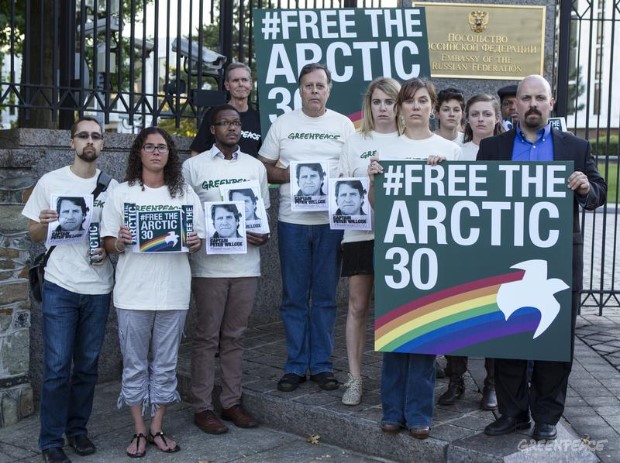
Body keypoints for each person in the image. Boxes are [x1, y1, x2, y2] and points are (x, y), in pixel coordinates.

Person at [478, 75, 606, 441]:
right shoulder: (493, 148)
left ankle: (547, 416)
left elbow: (598, 191)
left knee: (554, 335)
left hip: (558, 258)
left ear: (551, 104)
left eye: (540, 98)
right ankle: (512, 413)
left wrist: (585, 187)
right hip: (507, 256)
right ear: (514, 105)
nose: (532, 104)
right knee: (507, 331)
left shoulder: (576, 147)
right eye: (525, 98)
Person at [102, 127, 204, 458]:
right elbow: (107, 242)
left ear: (170, 154)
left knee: (165, 364)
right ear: (139, 153)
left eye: (162, 147)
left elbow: (197, 240)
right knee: (134, 364)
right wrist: (120, 241)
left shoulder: (184, 194)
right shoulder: (122, 193)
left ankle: (157, 426)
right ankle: (138, 430)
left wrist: (194, 242)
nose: (156, 152)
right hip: (132, 294)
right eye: (149, 146)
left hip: (173, 293)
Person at [368, 78, 461, 440]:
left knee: (425, 334)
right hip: (394, 251)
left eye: (423, 101)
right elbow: (377, 207)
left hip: (433, 252)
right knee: (393, 334)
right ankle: (392, 410)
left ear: (433, 107)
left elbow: (458, 208)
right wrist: (374, 180)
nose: (416, 107)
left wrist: (445, 177)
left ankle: (420, 412)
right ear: (400, 108)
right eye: (409, 102)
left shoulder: (448, 150)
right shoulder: (386, 149)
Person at [21, 117, 117, 463]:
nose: (89, 141)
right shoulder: (51, 181)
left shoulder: (113, 187)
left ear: (103, 144)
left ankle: (78, 430)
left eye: (96, 136)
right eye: (83, 136)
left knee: (88, 366)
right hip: (60, 284)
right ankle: (50, 441)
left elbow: (114, 239)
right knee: (58, 366)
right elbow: (32, 234)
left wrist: (110, 246)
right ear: (71, 142)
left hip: (99, 285)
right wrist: (43, 224)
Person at [258, 63, 354, 393]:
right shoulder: (283, 124)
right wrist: (291, 177)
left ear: (329, 90)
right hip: (292, 222)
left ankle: (323, 365)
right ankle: (297, 365)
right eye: (308, 85)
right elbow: (264, 167)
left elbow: (354, 167)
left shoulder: (343, 125)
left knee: (326, 297)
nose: (314, 90)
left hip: (331, 223)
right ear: (300, 90)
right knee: (294, 297)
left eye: (320, 85)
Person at [183, 104, 270, 435]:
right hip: (208, 268)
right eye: (225, 123)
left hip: (247, 265)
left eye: (236, 123)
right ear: (212, 129)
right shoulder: (193, 167)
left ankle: (231, 402)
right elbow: (188, 215)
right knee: (206, 338)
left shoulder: (255, 167)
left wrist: (261, 235)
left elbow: (261, 212)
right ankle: (202, 406)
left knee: (234, 337)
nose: (232, 128)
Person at [436, 93, 505, 411]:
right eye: (474, 114)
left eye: (486, 114)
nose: (480, 119)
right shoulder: (455, 151)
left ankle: (492, 383)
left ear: (496, 117)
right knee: (456, 311)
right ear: (467, 119)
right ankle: (456, 380)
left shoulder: (508, 151)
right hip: (459, 241)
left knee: (495, 314)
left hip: (497, 242)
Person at [337, 77, 401, 406]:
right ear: (369, 105)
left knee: (397, 309)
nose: (383, 108)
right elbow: (341, 186)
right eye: (377, 101)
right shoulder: (354, 141)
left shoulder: (409, 140)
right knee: (357, 306)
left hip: (400, 236)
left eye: (389, 101)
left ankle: (396, 380)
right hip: (361, 232)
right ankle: (355, 377)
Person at [190, 63, 261, 157]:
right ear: (227, 85)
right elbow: (197, 152)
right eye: (235, 80)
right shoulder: (214, 114)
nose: (241, 84)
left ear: (251, 84)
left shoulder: (259, 119)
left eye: (244, 80)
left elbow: (264, 158)